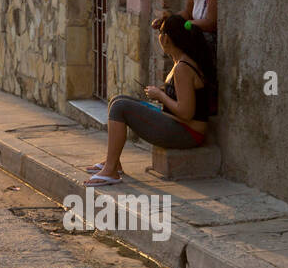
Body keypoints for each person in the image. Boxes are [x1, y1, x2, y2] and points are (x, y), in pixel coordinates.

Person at [86, 15, 214, 186]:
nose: (159, 37)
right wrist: (161, 92)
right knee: (117, 100)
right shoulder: (179, 63)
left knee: (120, 107)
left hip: (188, 134)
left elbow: (186, 112)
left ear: (166, 38)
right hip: (179, 125)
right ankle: (113, 163)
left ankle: (110, 172)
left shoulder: (183, 67)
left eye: (160, 33)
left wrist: (160, 96)